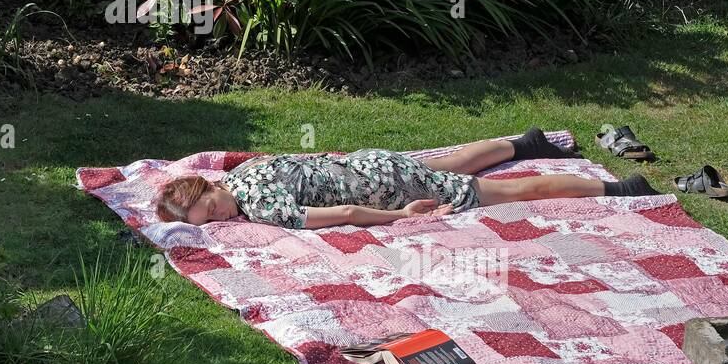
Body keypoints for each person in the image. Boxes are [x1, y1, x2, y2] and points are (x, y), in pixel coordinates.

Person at [154, 127, 659, 230]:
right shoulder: (243, 171)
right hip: (371, 162)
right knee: (444, 166)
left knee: (508, 192)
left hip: (382, 189)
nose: (220, 218)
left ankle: (623, 189)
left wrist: (400, 217)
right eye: (210, 222)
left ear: (208, 193)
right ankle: (527, 144)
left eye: (213, 212)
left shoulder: (264, 208)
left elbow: (348, 214)